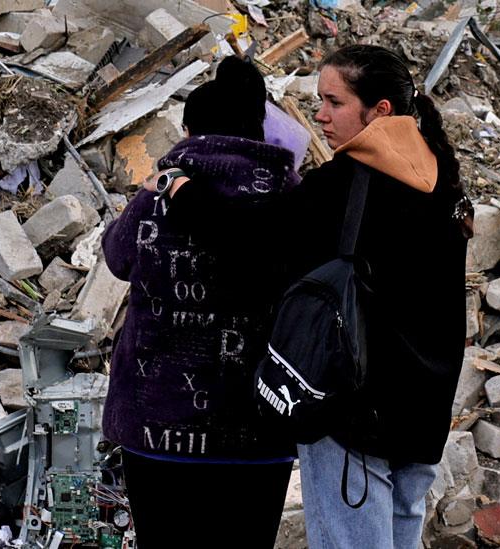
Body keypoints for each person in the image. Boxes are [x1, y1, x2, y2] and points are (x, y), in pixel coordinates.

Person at [159, 44, 469, 549]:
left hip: (354, 416)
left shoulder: (350, 183)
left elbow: (254, 240)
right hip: (421, 416)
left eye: (334, 102)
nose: (319, 115)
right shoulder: (444, 182)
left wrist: (180, 190)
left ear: (380, 111)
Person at [100, 56, 300, 548]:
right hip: (261, 428)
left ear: (189, 130)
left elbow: (117, 257)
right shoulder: (295, 195)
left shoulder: (160, 193)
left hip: (157, 422)